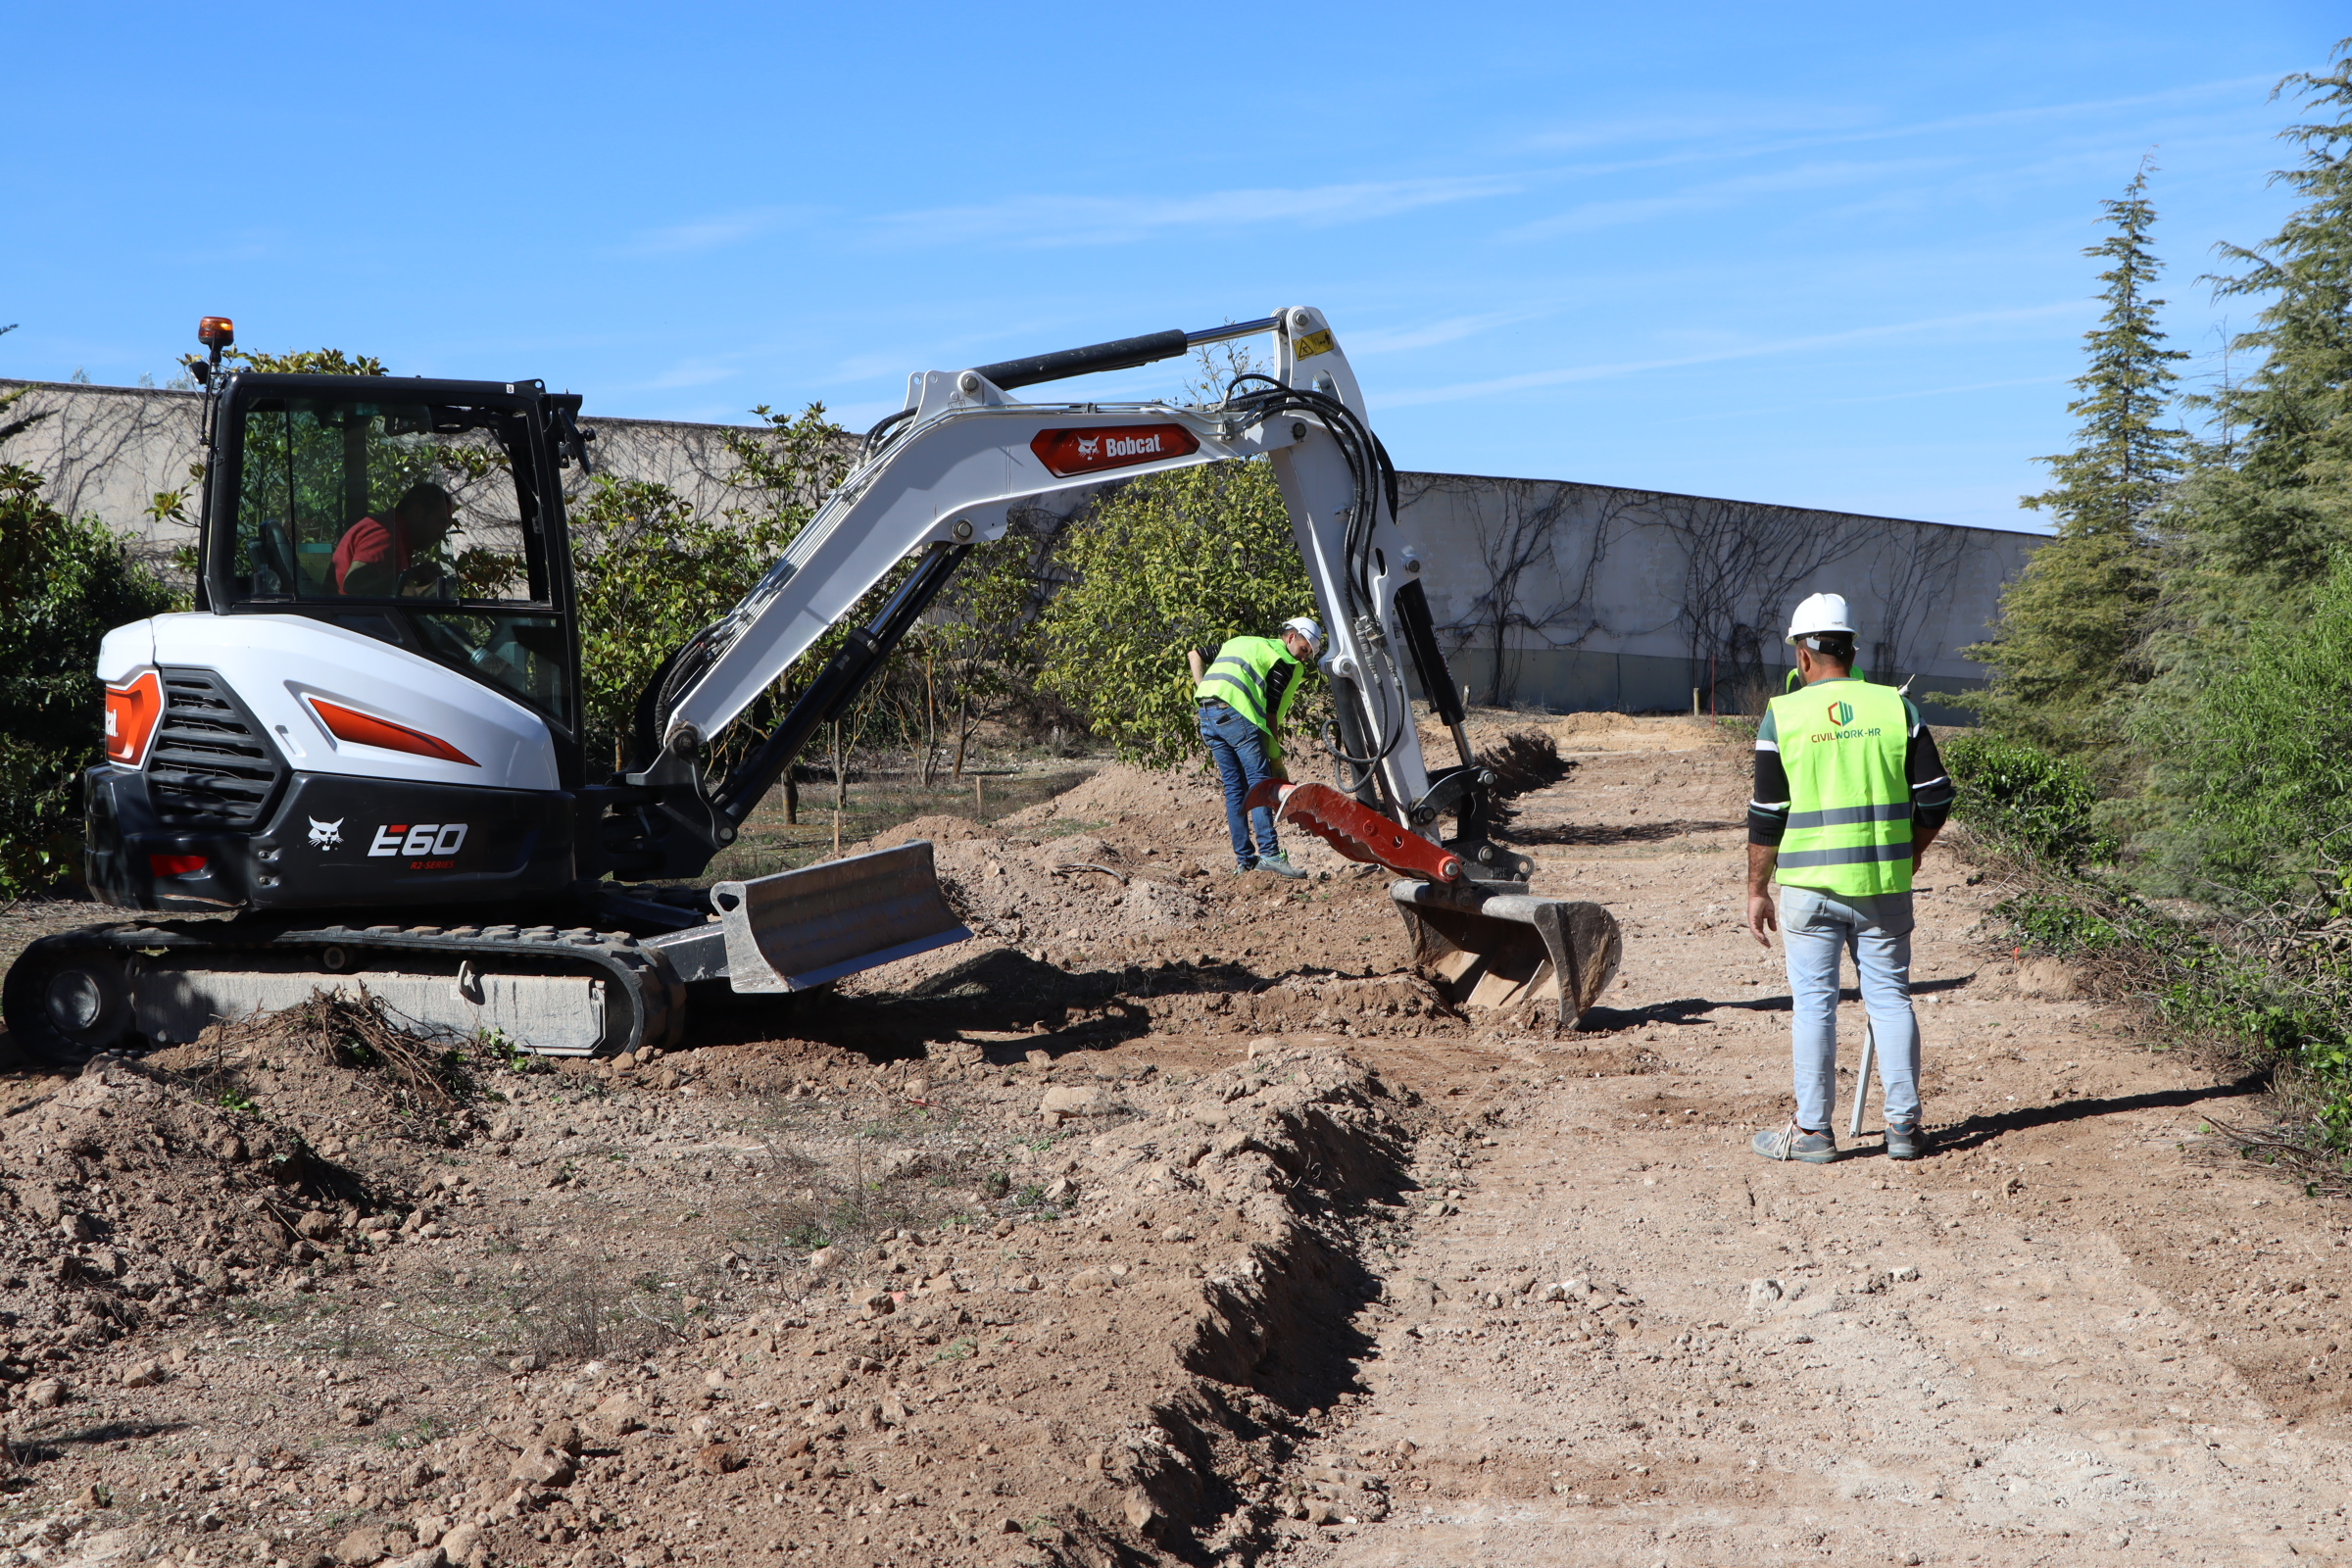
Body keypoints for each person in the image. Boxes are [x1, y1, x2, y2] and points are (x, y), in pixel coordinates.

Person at [1745, 592, 1955, 1163]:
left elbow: (1767, 814)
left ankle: (1814, 1134)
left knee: (1814, 1005)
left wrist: (1757, 889)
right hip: (1883, 886)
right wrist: (1911, 852)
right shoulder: (1895, 708)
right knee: (1890, 1000)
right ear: (1851, 648)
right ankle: (1903, 1130)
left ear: (1804, 655)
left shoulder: (1782, 715)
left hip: (1809, 889)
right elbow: (1936, 798)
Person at [1188, 616, 1321, 878]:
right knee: (1259, 785)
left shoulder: (1242, 641)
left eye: (1309, 655)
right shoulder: (1282, 662)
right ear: (1292, 637)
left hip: (1206, 715)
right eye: (1305, 650)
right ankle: (1270, 855)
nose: (1304, 658)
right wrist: (1276, 760)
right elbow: (1272, 715)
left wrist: (1203, 688)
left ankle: (1245, 862)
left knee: (1235, 789)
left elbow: (1195, 654)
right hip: (1237, 717)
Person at [333, 482, 456, 596]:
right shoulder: (385, 534)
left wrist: (411, 575)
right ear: (417, 512)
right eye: (441, 521)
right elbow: (355, 585)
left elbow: (377, 582)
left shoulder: (396, 534)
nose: (443, 535)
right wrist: (418, 592)